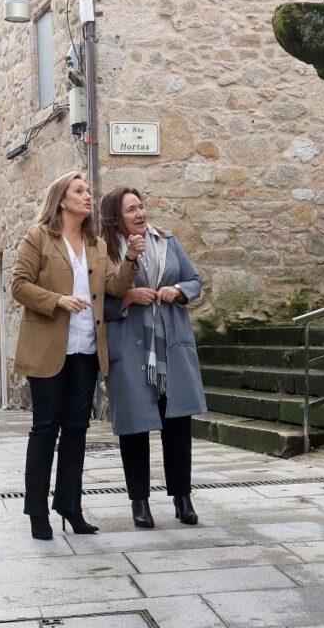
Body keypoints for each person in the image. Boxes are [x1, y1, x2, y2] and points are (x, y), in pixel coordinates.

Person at [11, 171, 144, 540]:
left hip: (86, 349)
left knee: (76, 430)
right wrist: (58, 301)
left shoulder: (97, 244)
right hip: (48, 350)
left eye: (88, 191)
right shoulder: (39, 237)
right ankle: (37, 511)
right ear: (62, 199)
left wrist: (131, 259)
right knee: (44, 428)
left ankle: (70, 505)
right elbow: (19, 285)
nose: (88, 196)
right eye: (79, 191)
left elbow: (114, 287)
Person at [99, 186, 207, 529]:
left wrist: (177, 290)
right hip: (131, 348)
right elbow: (97, 301)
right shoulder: (105, 251)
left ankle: (182, 498)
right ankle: (139, 502)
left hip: (171, 345)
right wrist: (127, 298)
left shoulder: (167, 240)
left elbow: (194, 279)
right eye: (131, 210)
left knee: (178, 423)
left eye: (141, 207)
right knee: (134, 427)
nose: (140, 214)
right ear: (116, 217)